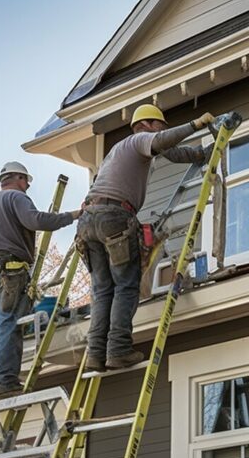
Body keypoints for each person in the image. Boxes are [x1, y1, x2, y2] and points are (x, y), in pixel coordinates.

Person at [77, 104, 218, 371]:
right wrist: (195, 125)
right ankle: (117, 349)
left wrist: (202, 154)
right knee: (126, 286)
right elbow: (163, 141)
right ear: (146, 125)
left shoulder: (117, 153)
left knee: (103, 290)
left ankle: (96, 354)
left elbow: (172, 152)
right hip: (113, 218)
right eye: (160, 126)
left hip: (89, 222)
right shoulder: (137, 139)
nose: (162, 131)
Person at [0, 161, 80, 400]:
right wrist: (73, 215)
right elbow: (36, 221)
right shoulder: (16, 198)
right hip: (10, 270)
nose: (27, 185)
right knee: (11, 324)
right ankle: (4, 381)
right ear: (17, 178)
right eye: (26, 180)